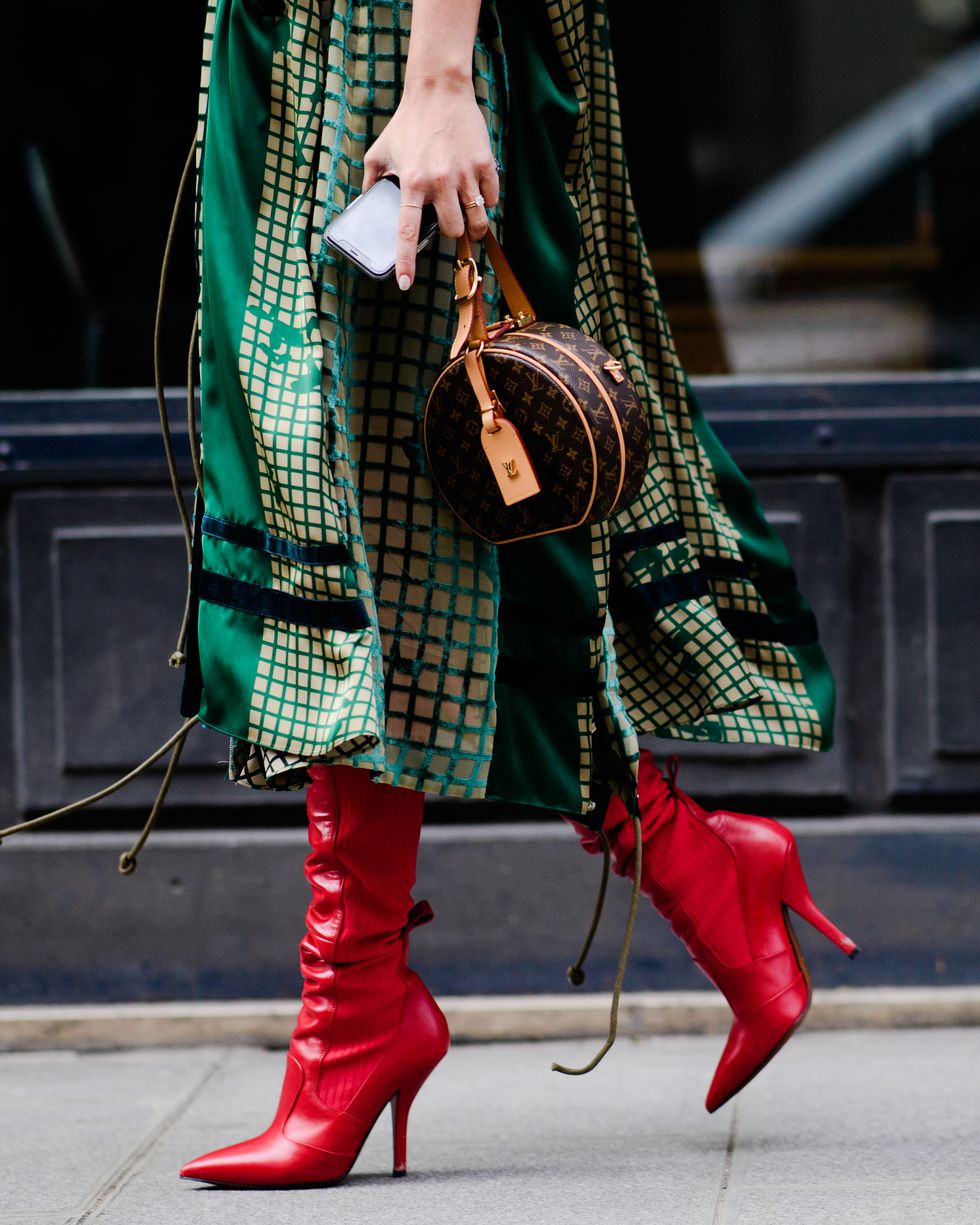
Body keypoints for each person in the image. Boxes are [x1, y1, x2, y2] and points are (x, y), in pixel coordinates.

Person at [171, 0, 857, 1188]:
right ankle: (686, 874)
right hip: (301, 54)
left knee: (429, 499)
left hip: (393, 52)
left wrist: (436, 72)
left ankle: (356, 1022)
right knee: (387, 517)